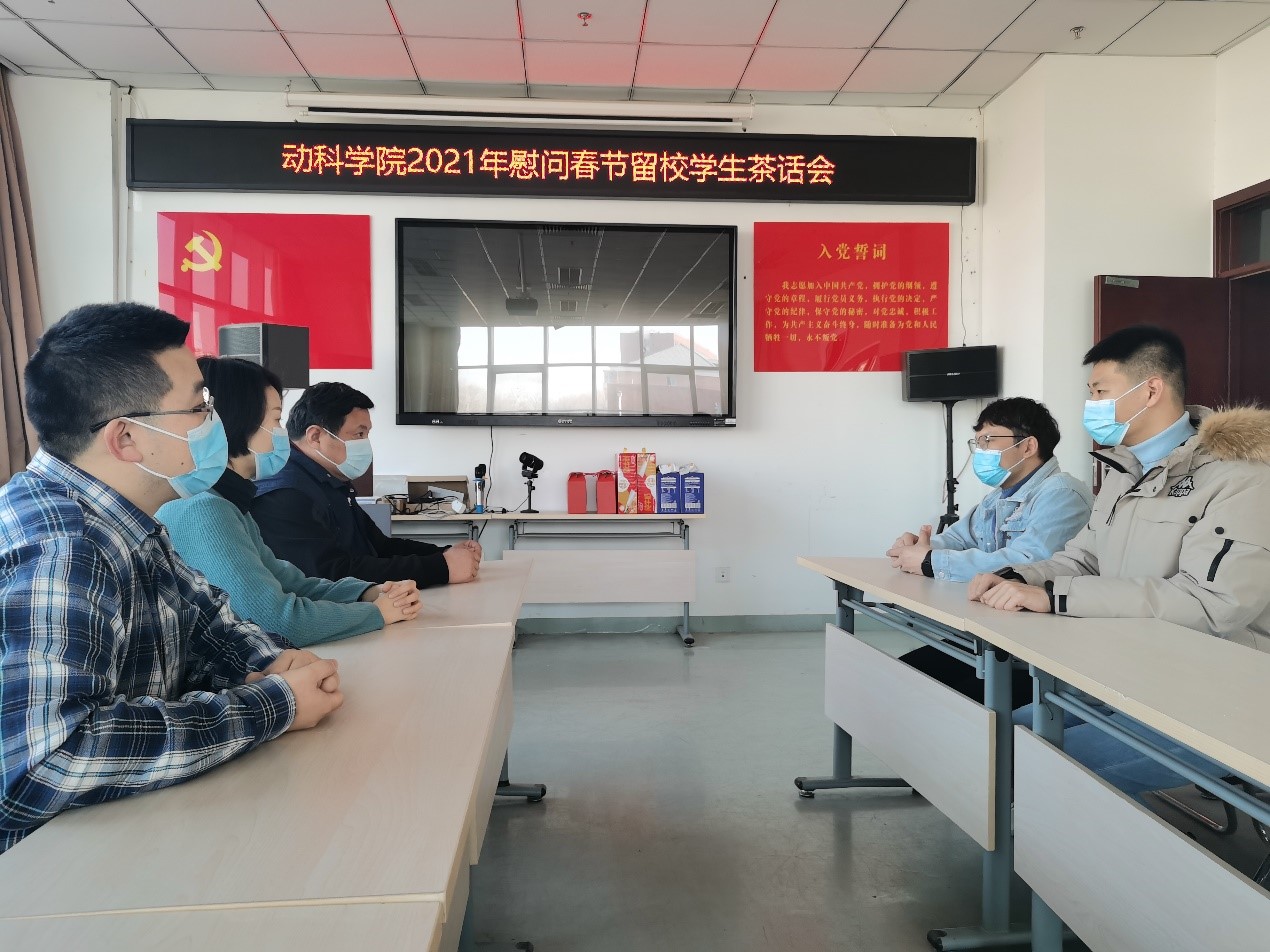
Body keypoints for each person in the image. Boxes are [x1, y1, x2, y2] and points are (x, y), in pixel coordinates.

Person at [0, 303, 342, 855]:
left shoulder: (130, 519)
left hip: (136, 831)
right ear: (126, 439)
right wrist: (272, 705)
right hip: (51, 869)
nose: (215, 424)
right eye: (199, 407)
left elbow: (211, 626)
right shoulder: (64, 546)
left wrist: (272, 663)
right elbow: (49, 760)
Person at [969, 325, 1270, 797]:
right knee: (995, 735)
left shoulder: (1242, 477)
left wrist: (1055, 596)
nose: (1091, 405)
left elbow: (1213, 604)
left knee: (1036, 771)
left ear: (1151, 390)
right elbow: (1084, 558)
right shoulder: (1125, 469)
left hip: (1215, 694)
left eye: (1100, 392)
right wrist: (1015, 576)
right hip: (1128, 672)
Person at [158, 357, 423, 647]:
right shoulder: (205, 508)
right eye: (276, 420)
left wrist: (368, 592)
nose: (282, 433)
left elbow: (292, 583)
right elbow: (277, 620)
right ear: (240, 419)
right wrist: (376, 613)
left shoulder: (229, 503)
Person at [886, 397, 1092, 705]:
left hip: (1040, 652)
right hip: (997, 635)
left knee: (939, 698)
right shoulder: (999, 496)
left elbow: (1026, 564)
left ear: (1028, 446)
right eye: (977, 442)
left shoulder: (1062, 494)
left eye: (988, 440)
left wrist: (930, 561)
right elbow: (959, 537)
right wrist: (920, 548)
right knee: (902, 676)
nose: (980, 451)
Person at [251, 382, 482, 588]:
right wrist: (441, 568)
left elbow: (378, 547)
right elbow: (331, 574)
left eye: (367, 434)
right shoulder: (284, 493)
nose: (366, 444)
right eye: (359, 434)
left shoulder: (330, 482)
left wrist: (445, 554)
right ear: (315, 437)